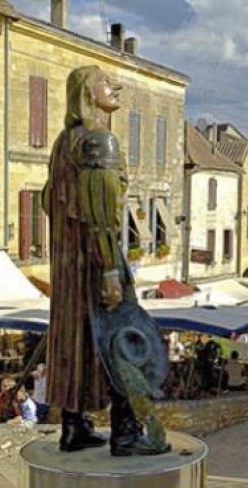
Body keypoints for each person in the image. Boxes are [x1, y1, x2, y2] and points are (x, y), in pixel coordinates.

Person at [43, 65, 168, 456]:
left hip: (68, 268)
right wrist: (111, 270)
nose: (115, 87)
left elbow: (51, 202)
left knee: (74, 341)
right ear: (85, 93)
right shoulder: (100, 142)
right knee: (120, 339)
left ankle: (74, 426)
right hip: (99, 263)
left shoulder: (64, 143)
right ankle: (127, 433)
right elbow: (103, 216)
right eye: (105, 82)